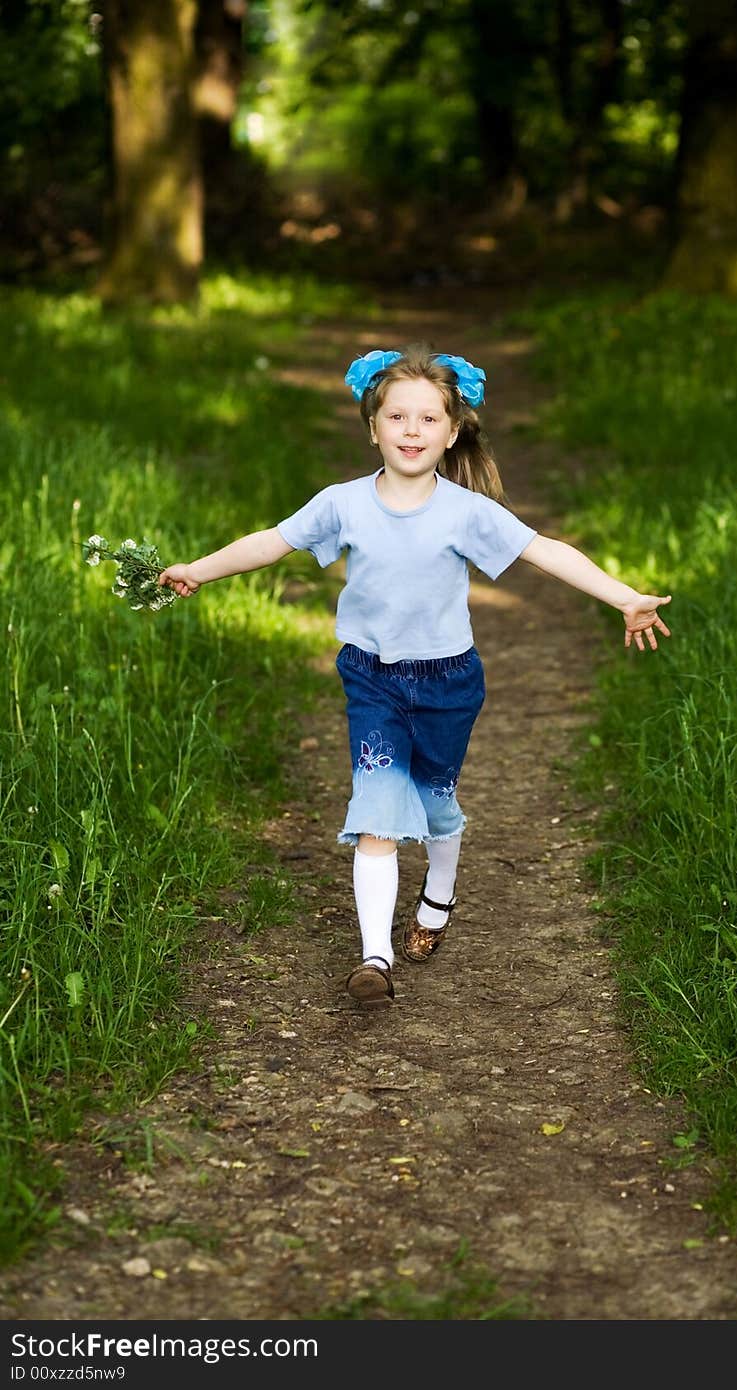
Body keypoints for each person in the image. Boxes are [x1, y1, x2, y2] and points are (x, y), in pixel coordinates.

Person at [158, 344, 672, 1008]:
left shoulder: (465, 512)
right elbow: (272, 540)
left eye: (428, 420)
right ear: (373, 426)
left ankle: (439, 893)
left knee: (434, 805)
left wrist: (622, 596)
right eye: (397, 417)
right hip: (371, 680)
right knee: (377, 813)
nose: (411, 431)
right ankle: (375, 957)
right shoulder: (342, 504)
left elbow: (544, 550)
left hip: (448, 682)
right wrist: (199, 568)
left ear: (452, 431)